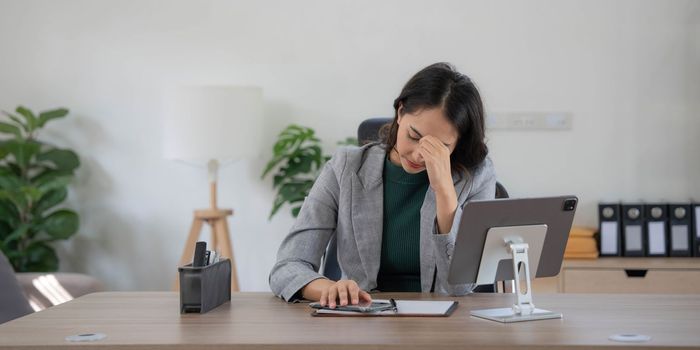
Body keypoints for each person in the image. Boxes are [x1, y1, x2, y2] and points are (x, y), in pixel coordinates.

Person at [269, 62, 496, 307]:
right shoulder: (346, 168)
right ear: (400, 113)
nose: (420, 154)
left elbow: (459, 286)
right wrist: (332, 289)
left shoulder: (476, 176)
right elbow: (287, 267)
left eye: (439, 147)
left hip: (441, 325)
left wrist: (444, 190)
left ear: (458, 143)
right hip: (364, 321)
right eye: (414, 136)